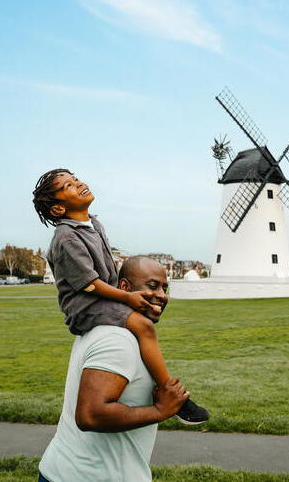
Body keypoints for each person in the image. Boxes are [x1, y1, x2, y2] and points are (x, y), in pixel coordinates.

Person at [32, 168, 208, 425]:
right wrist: (127, 299)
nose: (79, 184)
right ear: (58, 209)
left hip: (103, 299)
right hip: (86, 305)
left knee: (144, 314)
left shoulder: (94, 224)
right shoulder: (66, 237)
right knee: (144, 326)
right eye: (68, 186)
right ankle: (172, 393)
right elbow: (90, 285)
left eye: (76, 179)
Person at [38, 256, 187, 481]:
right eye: (153, 286)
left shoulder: (105, 326)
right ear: (125, 287)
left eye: (165, 288)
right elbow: (91, 415)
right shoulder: (118, 339)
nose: (162, 296)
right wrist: (160, 411)